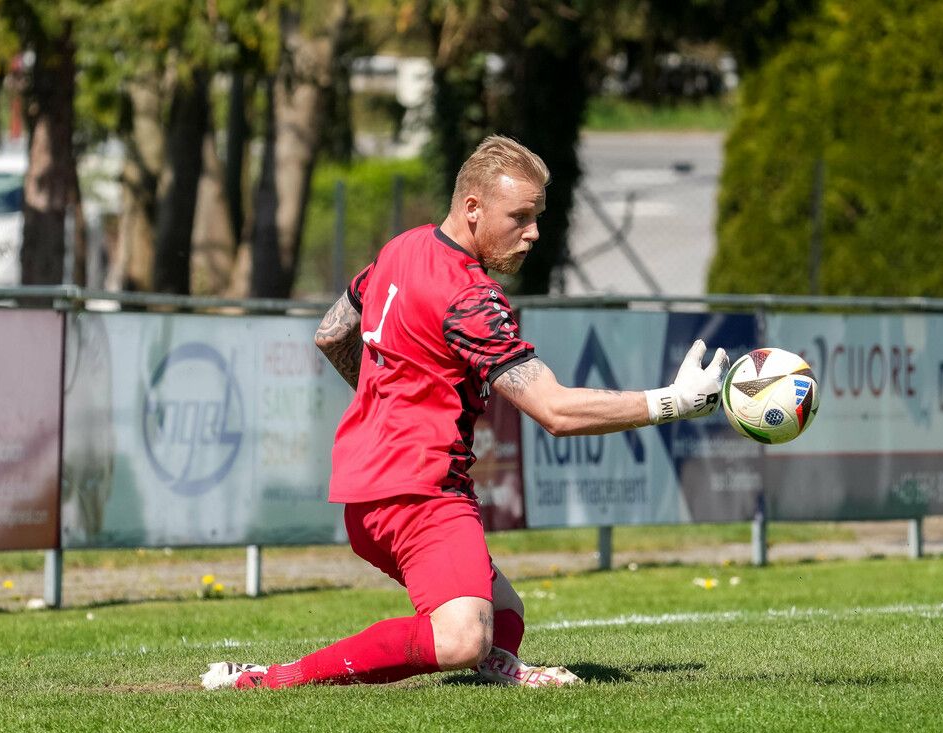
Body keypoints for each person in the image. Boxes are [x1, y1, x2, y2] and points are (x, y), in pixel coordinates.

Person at [202, 135, 727, 690]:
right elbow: (554, 410)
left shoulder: (400, 249)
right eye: (520, 217)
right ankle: (274, 678)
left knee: (507, 616)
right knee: (461, 638)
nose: (533, 233)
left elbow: (331, 333)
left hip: (369, 491)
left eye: (537, 216)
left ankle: (498, 672)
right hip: (421, 492)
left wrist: (387, 396)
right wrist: (673, 402)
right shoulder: (471, 297)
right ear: (473, 208)